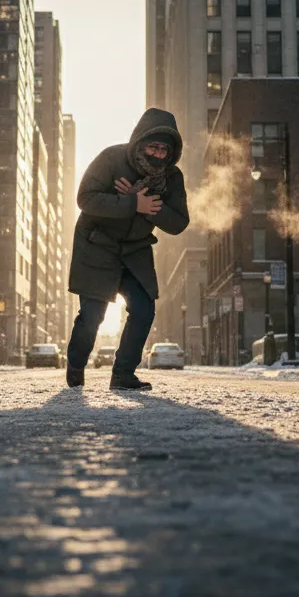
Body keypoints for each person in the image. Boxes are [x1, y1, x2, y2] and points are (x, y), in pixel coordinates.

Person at [65, 108, 189, 391]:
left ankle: (122, 374)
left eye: (164, 150)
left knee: (144, 309)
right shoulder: (112, 158)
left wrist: (148, 208)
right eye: (153, 146)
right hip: (97, 245)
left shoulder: (172, 178)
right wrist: (132, 204)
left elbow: (179, 222)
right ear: (140, 142)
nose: (158, 154)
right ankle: (75, 363)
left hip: (135, 250)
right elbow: (85, 198)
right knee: (92, 316)